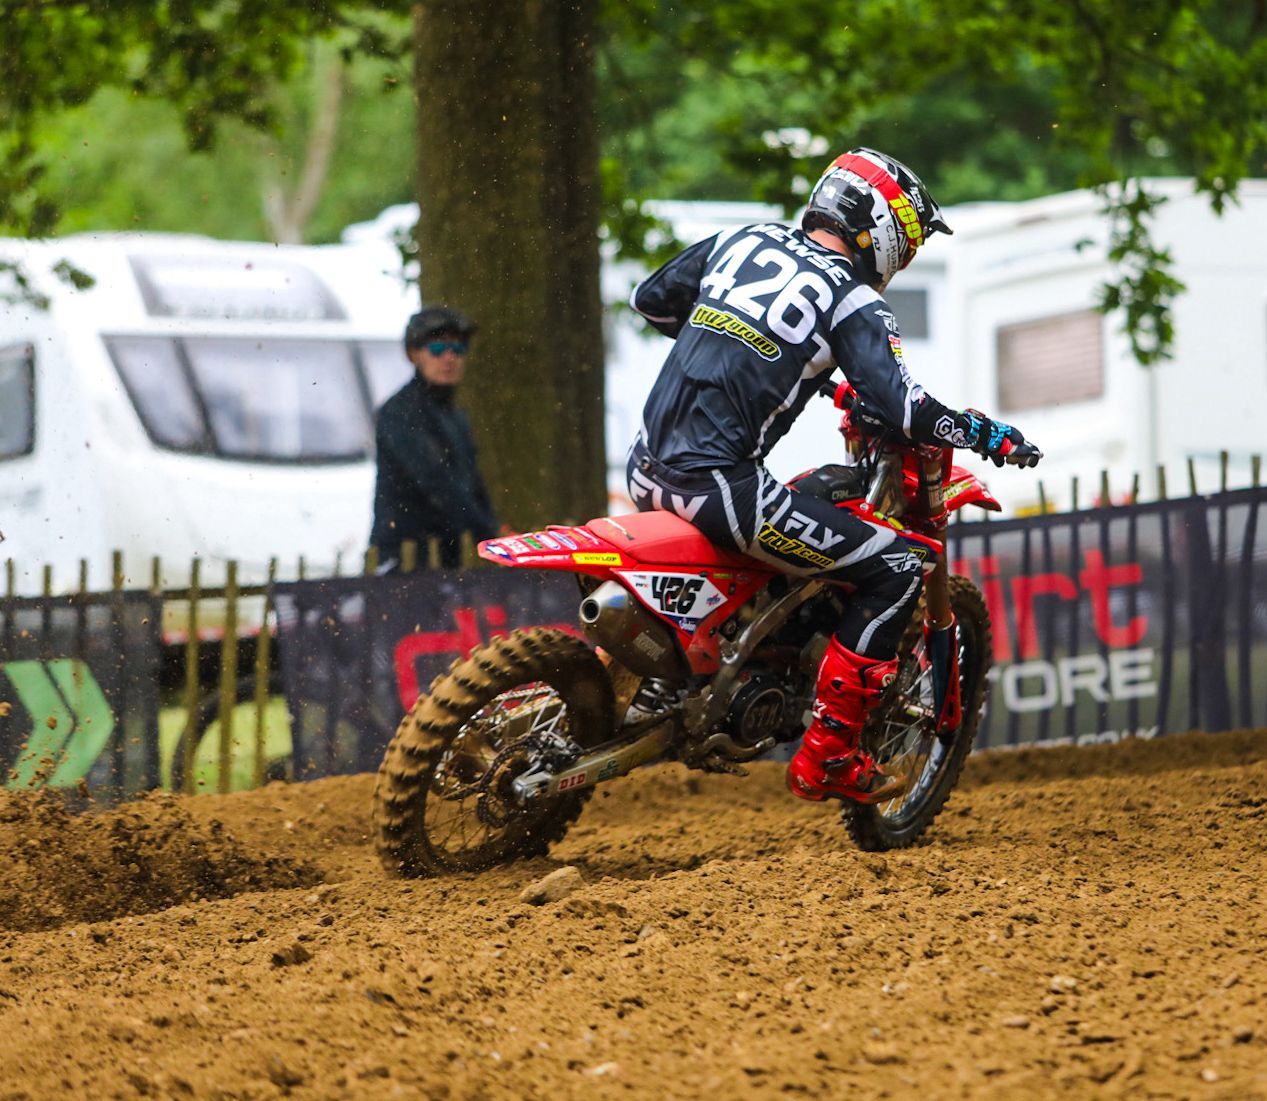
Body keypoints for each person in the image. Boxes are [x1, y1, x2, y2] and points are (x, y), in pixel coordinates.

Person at [627, 147, 1041, 802]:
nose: (903, 260)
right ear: (881, 231)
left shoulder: (743, 240)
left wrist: (750, 345)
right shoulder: (851, 299)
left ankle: (696, 677)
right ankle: (828, 756)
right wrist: (985, 433)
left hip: (644, 468)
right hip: (720, 491)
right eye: (906, 244)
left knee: (807, 510)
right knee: (897, 566)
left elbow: (651, 302)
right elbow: (909, 411)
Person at [370, 305, 499, 570]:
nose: (449, 358)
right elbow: (434, 480)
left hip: (448, 555)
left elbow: (473, 484)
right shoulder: (399, 412)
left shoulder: (457, 416)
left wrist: (493, 532)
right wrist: (488, 532)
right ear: (413, 354)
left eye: (458, 348)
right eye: (438, 348)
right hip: (404, 559)